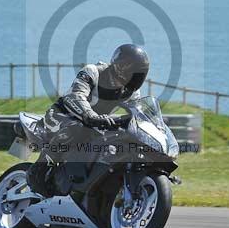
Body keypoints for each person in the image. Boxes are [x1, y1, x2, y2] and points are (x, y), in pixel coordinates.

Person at [27, 44, 150, 195]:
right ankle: (38, 170)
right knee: (75, 128)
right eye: (132, 70)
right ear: (120, 66)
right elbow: (75, 95)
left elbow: (137, 113)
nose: (135, 76)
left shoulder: (131, 93)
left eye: (139, 72)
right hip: (61, 115)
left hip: (94, 124)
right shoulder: (93, 72)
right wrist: (90, 115)